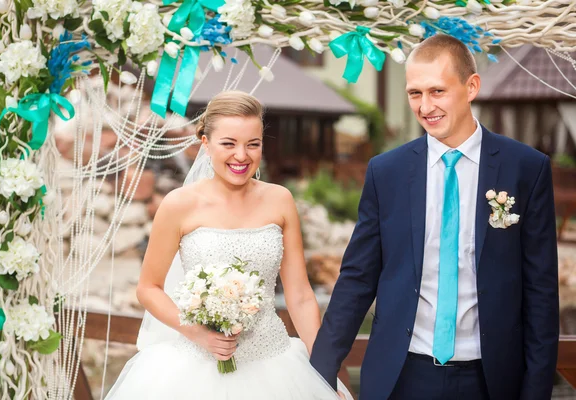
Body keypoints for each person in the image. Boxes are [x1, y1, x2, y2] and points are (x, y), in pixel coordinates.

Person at [310, 34, 559, 400]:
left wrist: (536, 390)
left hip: (491, 378)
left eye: (437, 91)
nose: (425, 106)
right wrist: (319, 372)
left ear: (471, 86)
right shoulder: (386, 171)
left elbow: (541, 291)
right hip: (401, 374)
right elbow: (358, 277)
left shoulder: (526, 168)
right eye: (415, 93)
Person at [105, 91, 351, 399]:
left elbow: (300, 297)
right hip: (195, 367)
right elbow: (148, 288)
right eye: (228, 143)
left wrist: (325, 374)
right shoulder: (178, 205)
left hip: (274, 363)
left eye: (253, 144)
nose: (241, 155)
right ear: (206, 144)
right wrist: (197, 333)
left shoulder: (280, 200)